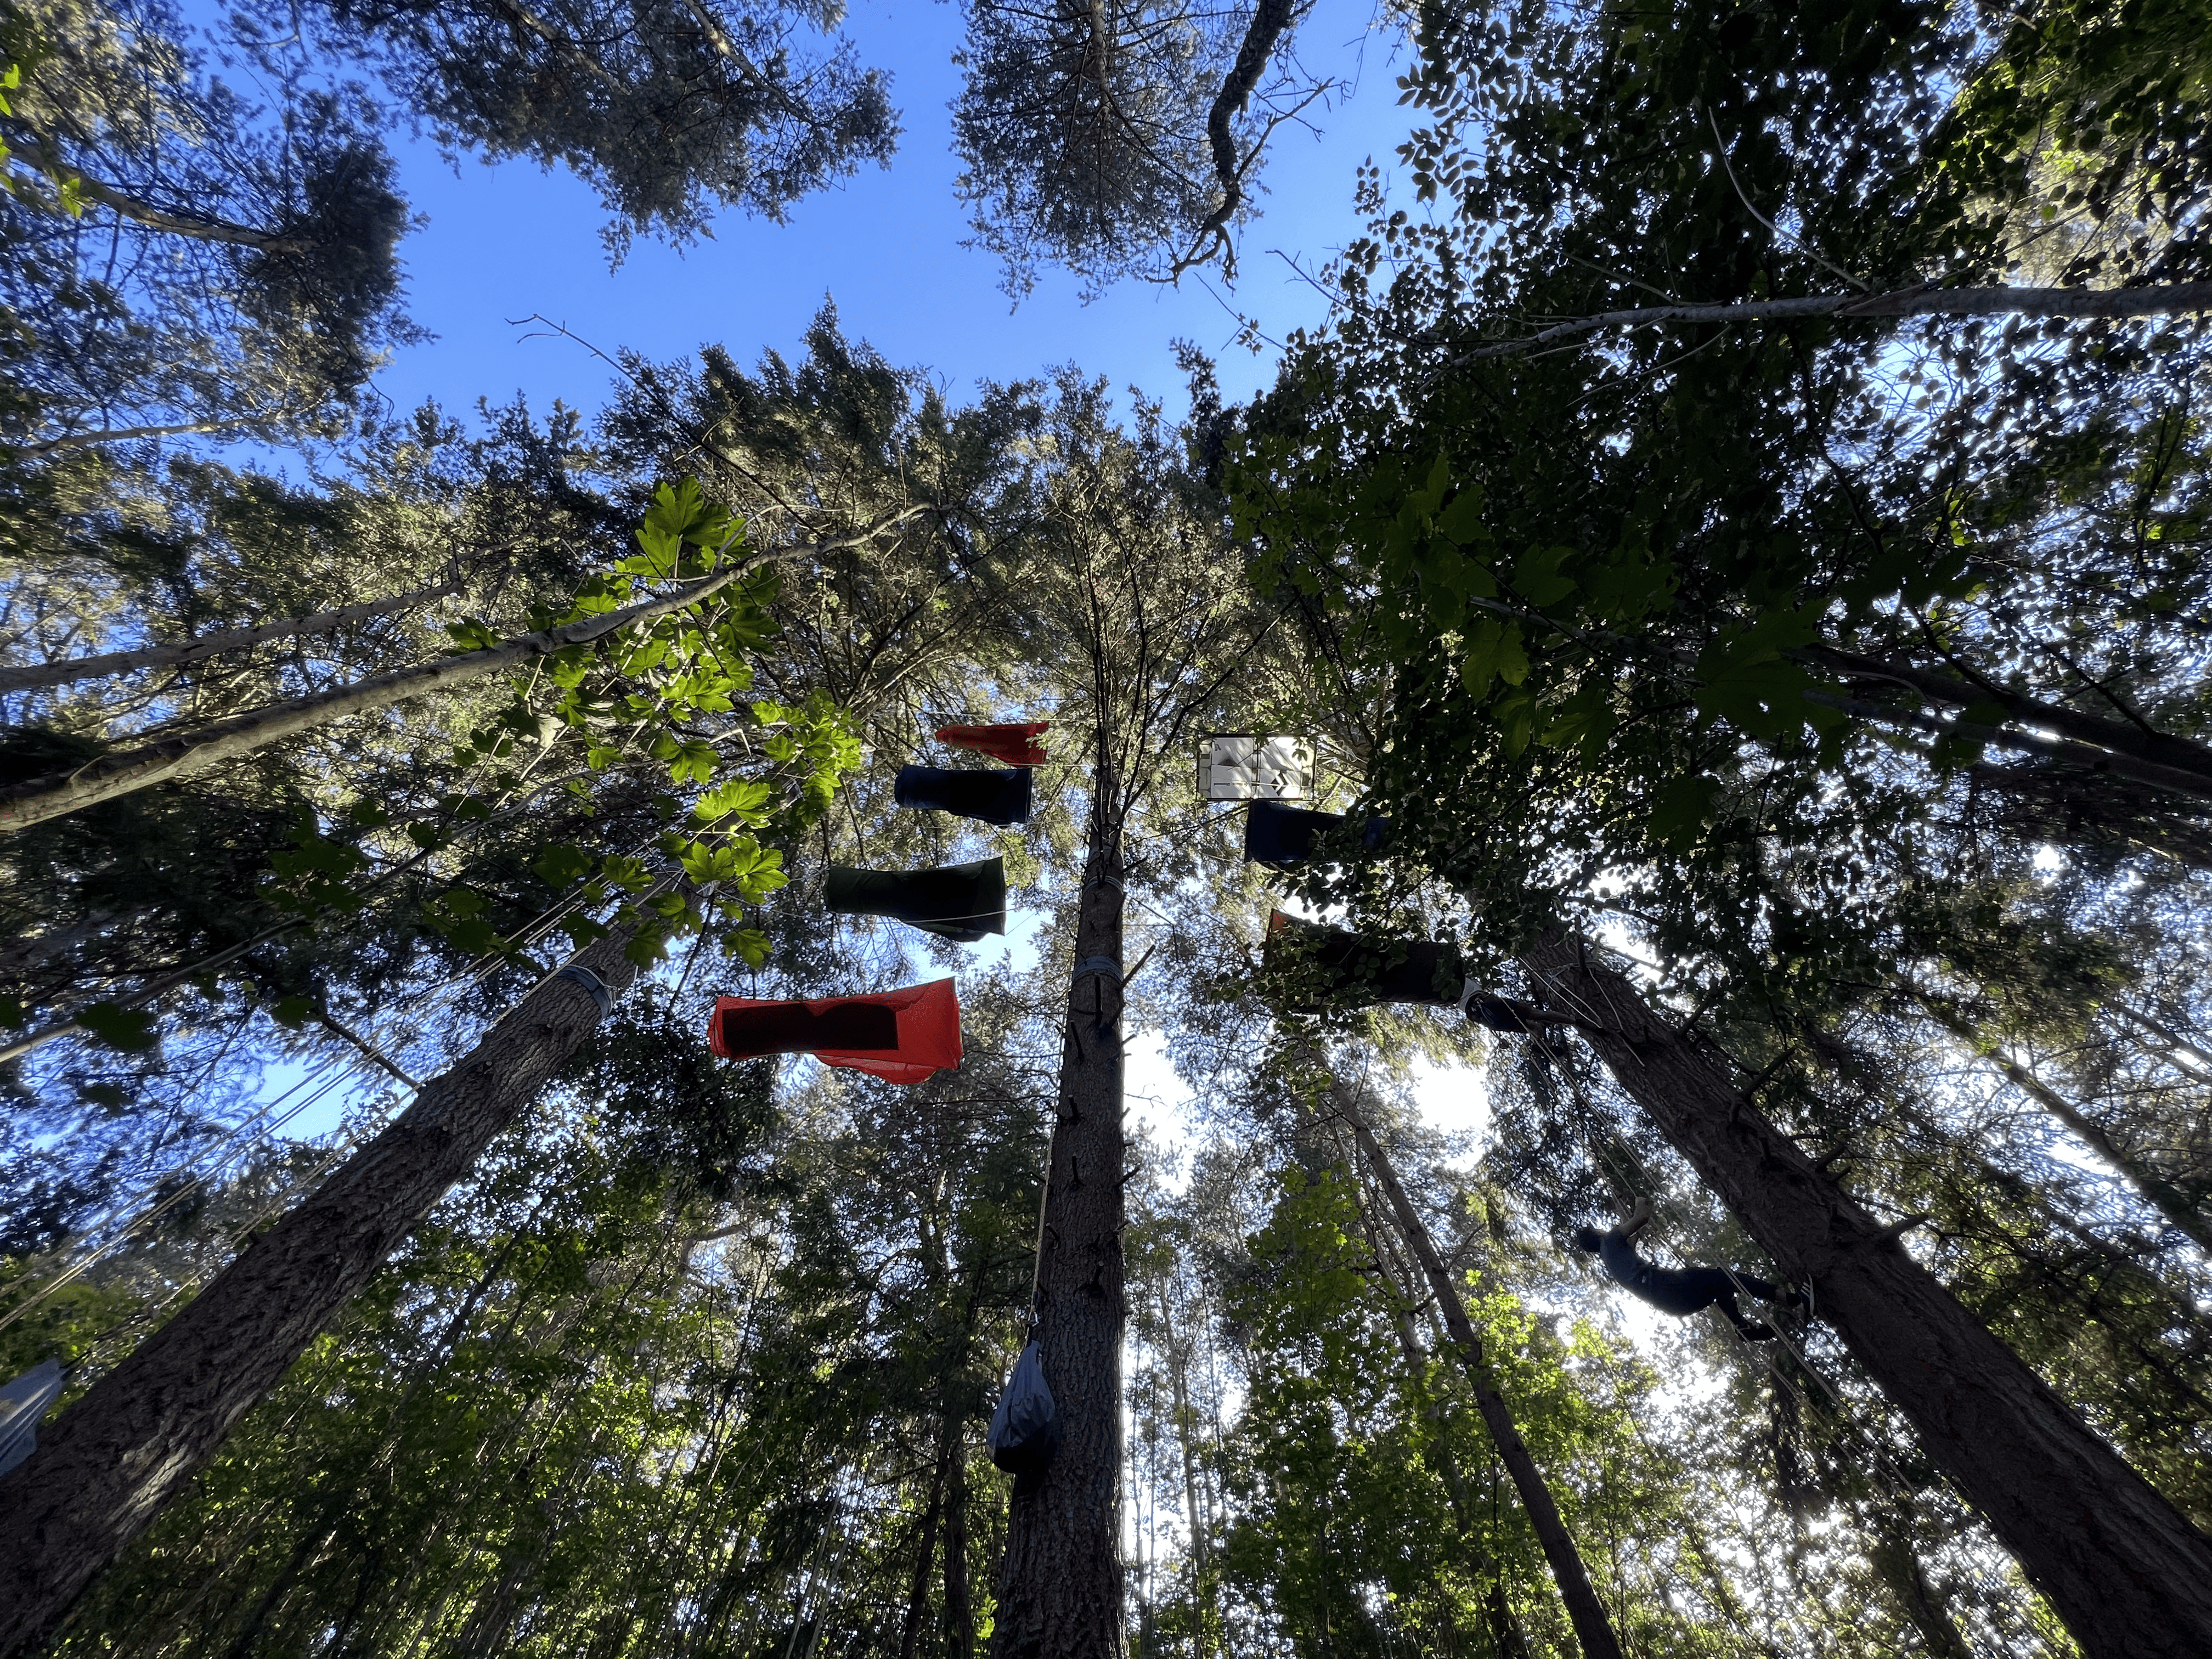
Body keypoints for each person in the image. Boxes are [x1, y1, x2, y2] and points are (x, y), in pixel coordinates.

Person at [1572, 1198, 1804, 1340]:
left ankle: (1743, 1327)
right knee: (1727, 1278)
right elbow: (1642, 1217)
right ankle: (1792, 1299)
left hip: (1674, 1304)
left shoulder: (1610, 1258)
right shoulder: (1610, 1241)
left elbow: (1632, 1239)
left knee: (1718, 1287)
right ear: (1597, 1234)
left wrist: (1630, 1218)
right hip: (1671, 1287)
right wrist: (1639, 1202)